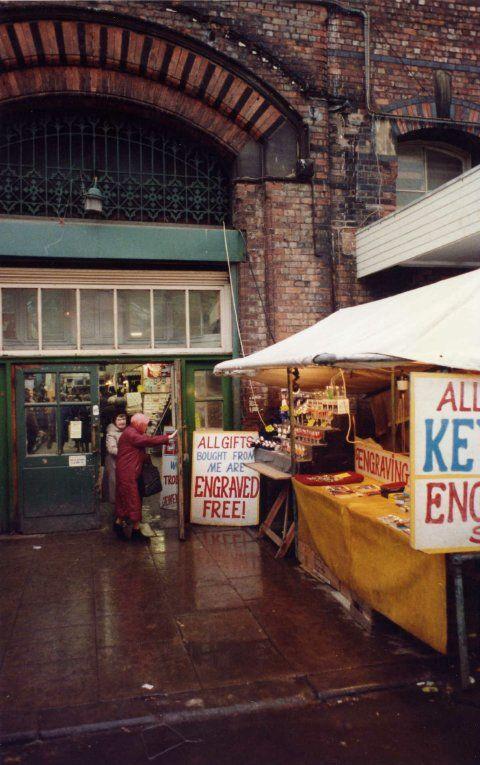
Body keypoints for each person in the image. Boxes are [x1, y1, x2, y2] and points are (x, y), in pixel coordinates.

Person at [114, 412, 177, 539]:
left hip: (127, 472)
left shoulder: (131, 431)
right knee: (133, 500)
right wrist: (167, 438)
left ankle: (119, 526)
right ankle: (135, 531)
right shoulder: (132, 434)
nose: (146, 427)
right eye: (145, 424)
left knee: (125, 500)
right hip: (129, 473)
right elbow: (146, 441)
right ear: (139, 424)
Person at [102, 411, 127, 504]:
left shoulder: (126, 430)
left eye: (123, 419)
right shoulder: (111, 431)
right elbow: (111, 449)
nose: (122, 421)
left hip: (123, 461)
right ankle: (115, 505)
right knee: (114, 482)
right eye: (119, 419)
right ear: (114, 421)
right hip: (113, 461)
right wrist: (127, 452)